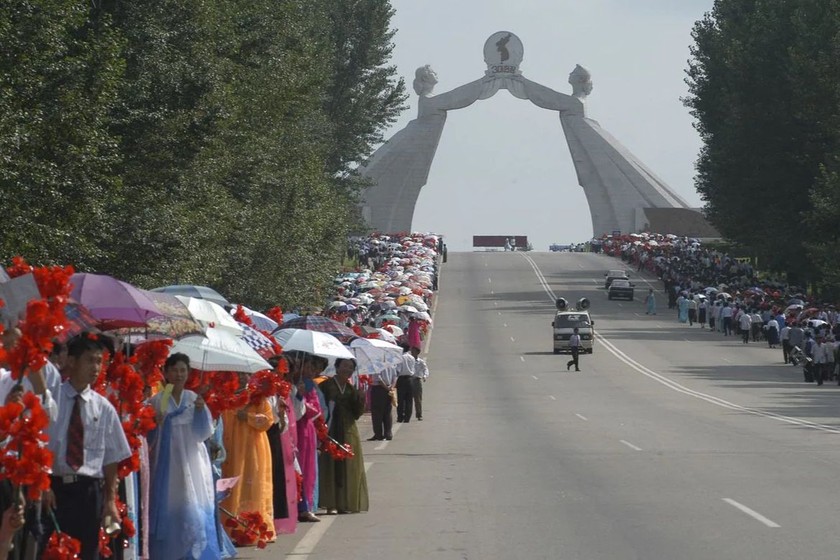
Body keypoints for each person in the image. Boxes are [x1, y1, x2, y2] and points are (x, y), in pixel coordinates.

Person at [42, 333, 132, 560]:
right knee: (49, 550)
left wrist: (110, 501)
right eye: (89, 360)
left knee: (87, 552)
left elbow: (112, 457)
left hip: (88, 492)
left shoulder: (104, 408)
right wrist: (43, 485)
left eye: (99, 361)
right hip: (54, 490)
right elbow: (39, 445)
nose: (96, 367)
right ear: (71, 361)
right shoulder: (52, 400)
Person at [147, 353, 219, 560]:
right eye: (174, 370)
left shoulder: (193, 399)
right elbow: (148, 435)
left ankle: (194, 551)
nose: (178, 374)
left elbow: (203, 432)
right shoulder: (157, 400)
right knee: (172, 502)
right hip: (167, 461)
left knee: (194, 501)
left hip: (192, 459)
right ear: (166, 373)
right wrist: (155, 422)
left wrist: (200, 412)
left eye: (182, 370)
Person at [221, 372, 274, 542]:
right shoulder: (224, 397)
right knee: (231, 485)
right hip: (230, 446)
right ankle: (231, 528)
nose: (242, 378)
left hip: (253, 448)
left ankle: (251, 529)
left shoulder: (257, 397)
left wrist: (249, 417)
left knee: (251, 484)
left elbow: (268, 421)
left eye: (245, 375)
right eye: (238, 375)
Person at [318, 358, 369, 515]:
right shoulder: (325, 386)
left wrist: (361, 399)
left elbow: (356, 413)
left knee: (348, 465)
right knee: (329, 466)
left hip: (348, 430)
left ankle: (344, 503)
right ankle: (330, 503)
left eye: (351, 368)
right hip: (330, 429)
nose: (347, 370)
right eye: (344, 366)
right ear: (337, 367)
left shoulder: (351, 389)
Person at [367, 364, 396, 441]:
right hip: (389, 388)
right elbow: (395, 377)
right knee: (387, 411)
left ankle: (378, 434)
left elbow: (379, 379)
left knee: (377, 413)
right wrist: (391, 387)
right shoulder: (391, 365)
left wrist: (387, 388)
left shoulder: (377, 365)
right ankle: (388, 433)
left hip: (378, 389)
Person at [410, 347, 428, 421]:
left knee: (418, 399)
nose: (412, 353)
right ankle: (407, 415)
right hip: (410, 380)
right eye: (412, 351)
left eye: (414, 351)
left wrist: (424, 376)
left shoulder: (420, 362)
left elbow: (425, 369)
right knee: (408, 399)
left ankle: (419, 414)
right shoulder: (409, 361)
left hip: (417, 381)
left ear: (417, 352)